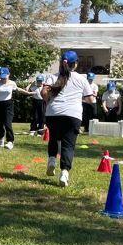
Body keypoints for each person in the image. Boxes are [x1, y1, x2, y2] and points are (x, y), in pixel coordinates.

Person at [41, 50, 94, 187]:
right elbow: (90, 100)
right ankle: (64, 173)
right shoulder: (82, 78)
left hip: (53, 114)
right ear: (75, 63)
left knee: (53, 137)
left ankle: (52, 160)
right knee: (68, 145)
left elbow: (44, 95)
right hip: (73, 115)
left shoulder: (52, 77)